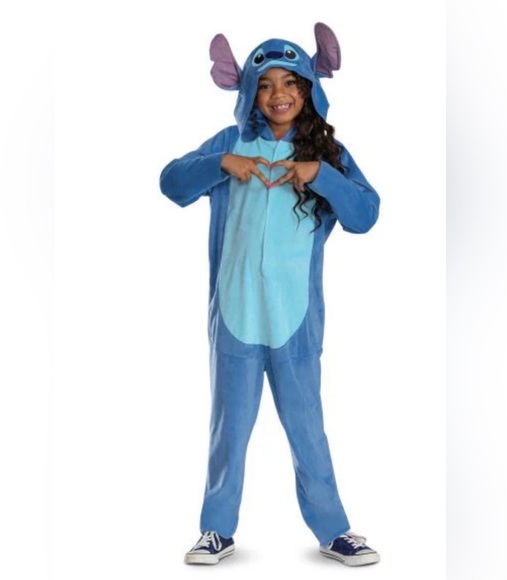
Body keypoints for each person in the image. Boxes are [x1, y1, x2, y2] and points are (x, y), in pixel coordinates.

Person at [159, 22, 381, 567]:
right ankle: (216, 529)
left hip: (294, 320)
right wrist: (221, 164)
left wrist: (319, 174)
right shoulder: (230, 143)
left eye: (291, 82)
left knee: (307, 428)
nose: (278, 94)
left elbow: (365, 214)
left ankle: (334, 529)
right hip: (235, 317)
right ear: (248, 90)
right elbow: (171, 181)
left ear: (309, 88)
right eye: (265, 84)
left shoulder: (326, 153)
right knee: (229, 430)